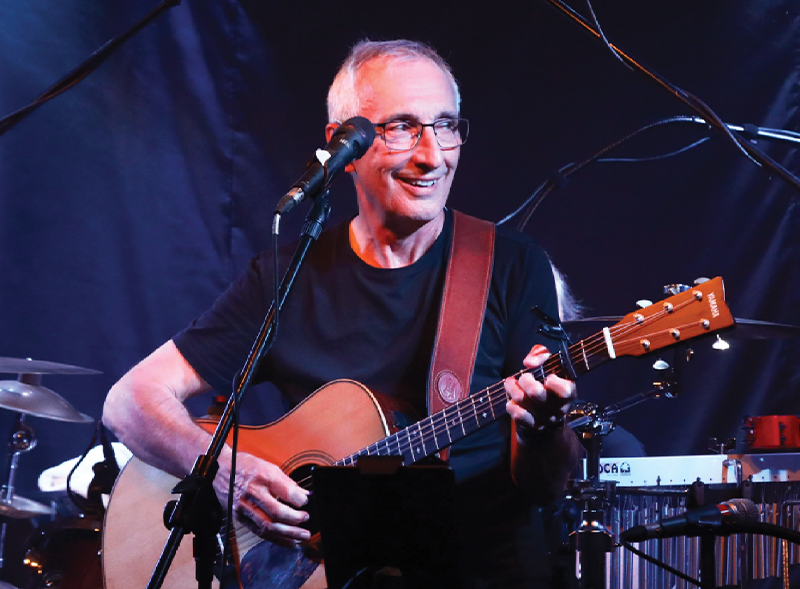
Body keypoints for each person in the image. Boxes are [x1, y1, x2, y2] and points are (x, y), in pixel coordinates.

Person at [103, 39, 582, 589]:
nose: (432, 155)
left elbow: (550, 485)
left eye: (445, 125)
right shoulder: (287, 274)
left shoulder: (511, 266)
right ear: (342, 145)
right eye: (402, 127)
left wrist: (545, 429)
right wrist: (224, 474)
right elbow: (129, 401)